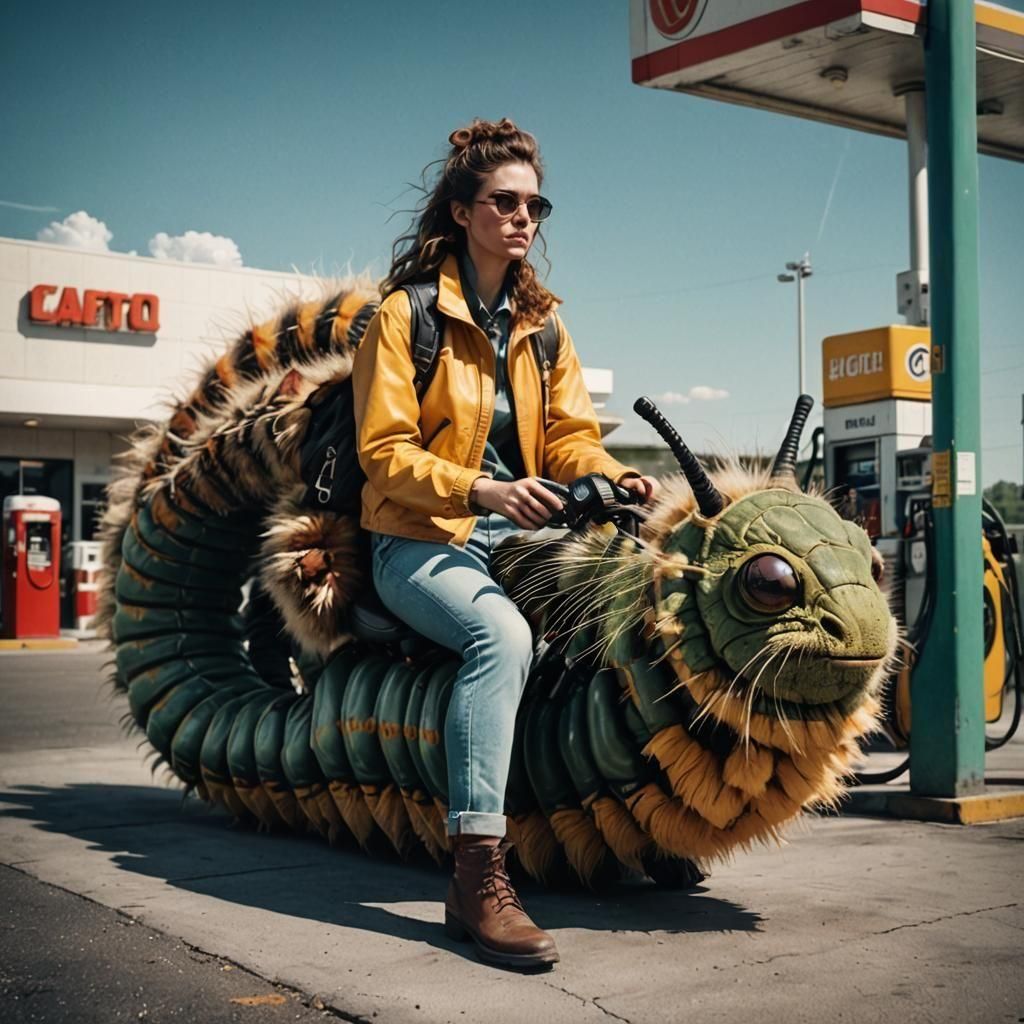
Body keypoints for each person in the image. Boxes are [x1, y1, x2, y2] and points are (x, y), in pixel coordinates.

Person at [351, 118, 657, 969]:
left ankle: (635, 819)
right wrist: (478, 486)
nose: (524, 219)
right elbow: (384, 454)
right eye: (505, 202)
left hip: (516, 534)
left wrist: (612, 474)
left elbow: (570, 437)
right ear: (461, 212)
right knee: (503, 635)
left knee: (627, 600)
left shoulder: (545, 325)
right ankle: (477, 874)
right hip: (416, 537)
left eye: (536, 205)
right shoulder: (403, 316)